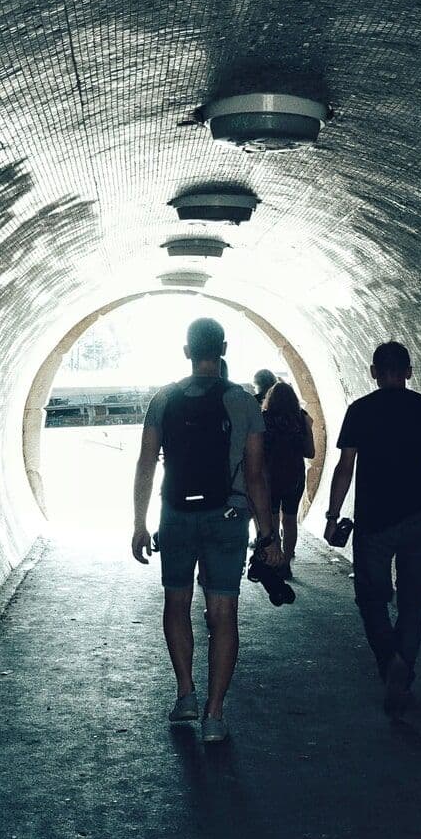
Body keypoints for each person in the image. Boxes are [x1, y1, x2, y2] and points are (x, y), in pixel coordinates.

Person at [131, 317, 284, 743]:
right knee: (223, 614)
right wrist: (268, 535)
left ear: (186, 351)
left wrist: (139, 523)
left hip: (176, 515)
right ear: (223, 348)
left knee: (176, 603)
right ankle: (215, 715)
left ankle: (185, 694)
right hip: (228, 519)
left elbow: (146, 463)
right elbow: (256, 476)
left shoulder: (163, 398)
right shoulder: (243, 402)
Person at [321, 341, 421, 715]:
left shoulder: (360, 410)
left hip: (373, 521)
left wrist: (332, 517)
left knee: (371, 598)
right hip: (417, 520)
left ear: (373, 372)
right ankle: (404, 667)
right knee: (412, 603)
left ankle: (391, 662)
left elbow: (345, 468)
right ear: (409, 372)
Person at [261, 382, 316, 575]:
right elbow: (310, 452)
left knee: (273, 518)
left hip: (270, 478)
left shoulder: (264, 419)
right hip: (294, 477)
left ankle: (274, 557)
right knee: (290, 520)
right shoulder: (300, 419)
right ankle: (286, 562)